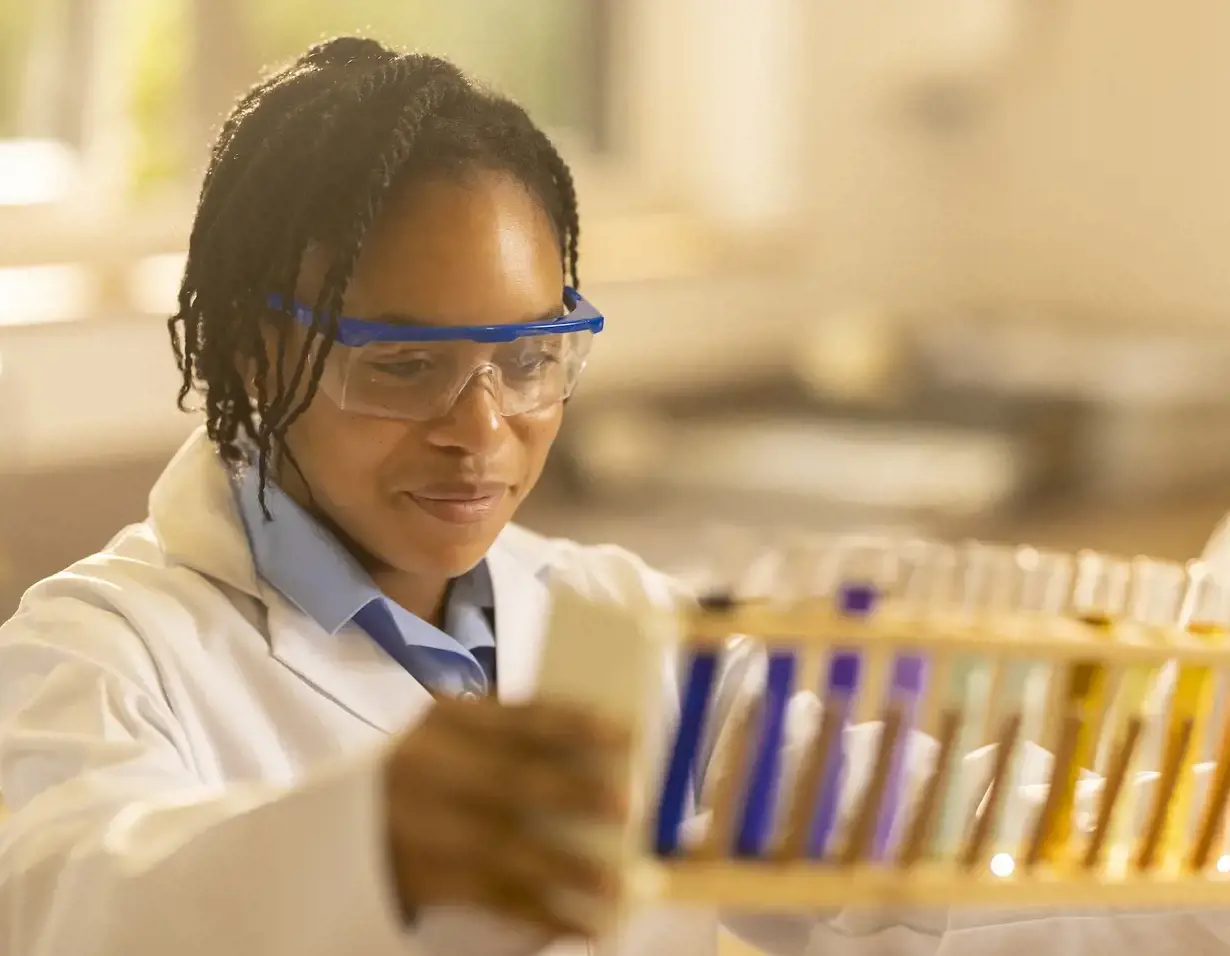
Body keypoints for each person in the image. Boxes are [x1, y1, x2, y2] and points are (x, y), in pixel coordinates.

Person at [0, 34, 1227, 956]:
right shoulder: (102, 653)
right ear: (256, 354)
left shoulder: (602, 615)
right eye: (405, 365)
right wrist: (374, 845)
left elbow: (895, 837)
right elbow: (67, 894)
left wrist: (1183, 830)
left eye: (530, 359)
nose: (482, 429)